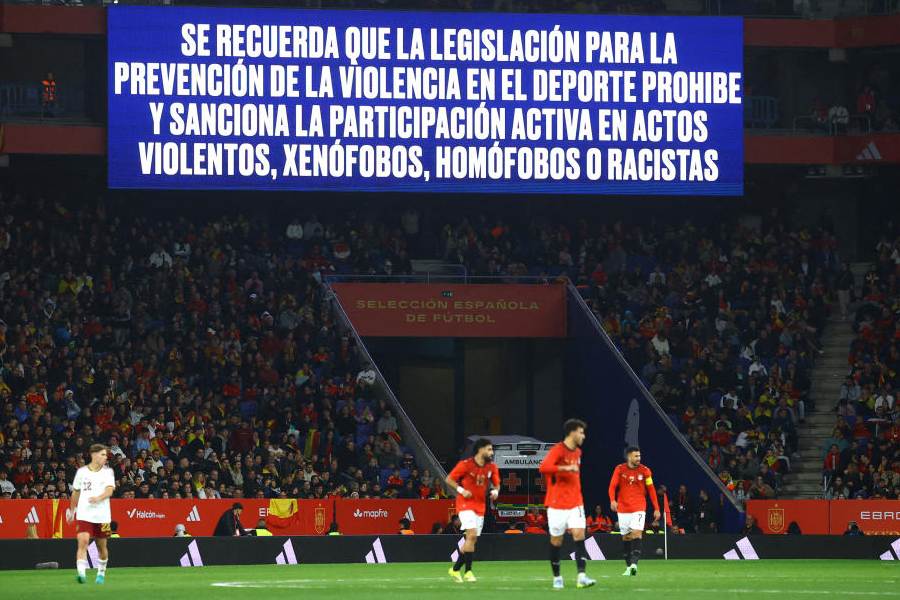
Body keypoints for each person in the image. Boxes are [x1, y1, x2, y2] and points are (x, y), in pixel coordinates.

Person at [539, 419, 596, 590]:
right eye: (581, 432)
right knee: (556, 541)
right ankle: (557, 577)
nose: (583, 436)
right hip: (556, 503)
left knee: (579, 535)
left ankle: (581, 576)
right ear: (572, 432)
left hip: (576, 502)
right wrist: (565, 468)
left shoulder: (578, 452)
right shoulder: (558, 450)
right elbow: (544, 468)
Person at [445, 438, 500, 583]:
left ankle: (455, 570)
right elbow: (449, 479)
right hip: (465, 504)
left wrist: (495, 492)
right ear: (480, 449)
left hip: (480, 507)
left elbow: (496, 484)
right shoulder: (465, 465)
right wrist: (461, 490)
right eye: (489, 449)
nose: (491, 452)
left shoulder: (491, 467)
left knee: (471, 539)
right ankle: (468, 572)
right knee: (472, 534)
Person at [67, 444, 115, 584]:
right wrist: (72, 510)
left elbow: (109, 491)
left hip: (102, 515)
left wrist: (99, 498)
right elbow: (76, 492)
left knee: (101, 546)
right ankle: (81, 574)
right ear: (93, 455)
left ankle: (101, 573)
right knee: (83, 541)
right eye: (103, 454)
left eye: (106, 455)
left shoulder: (108, 472)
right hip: (84, 513)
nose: (105, 458)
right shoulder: (82, 472)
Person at [609, 446, 661, 577]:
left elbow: (651, 490)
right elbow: (612, 486)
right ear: (629, 457)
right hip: (623, 509)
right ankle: (628, 567)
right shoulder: (619, 469)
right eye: (636, 456)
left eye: (639, 456)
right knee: (626, 538)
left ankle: (634, 565)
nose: (639, 458)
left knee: (637, 533)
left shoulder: (645, 471)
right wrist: (612, 500)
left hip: (639, 507)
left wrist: (656, 508)